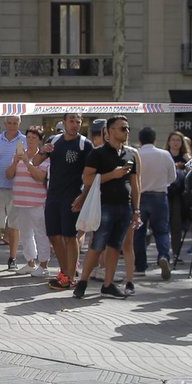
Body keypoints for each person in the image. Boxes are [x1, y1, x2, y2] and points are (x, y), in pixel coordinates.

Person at [73, 117, 141, 299]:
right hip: (104, 206)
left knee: (115, 247)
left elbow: (135, 185)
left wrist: (136, 210)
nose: (127, 132)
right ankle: (83, 282)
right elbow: (86, 179)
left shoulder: (131, 154)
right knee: (97, 246)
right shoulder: (98, 154)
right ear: (110, 131)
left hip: (125, 207)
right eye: (122, 129)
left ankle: (108, 284)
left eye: (127, 128)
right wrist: (112, 175)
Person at [33, 111, 92, 290]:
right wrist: (42, 151)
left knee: (69, 235)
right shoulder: (54, 140)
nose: (75, 124)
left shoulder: (84, 144)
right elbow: (35, 162)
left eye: (78, 121)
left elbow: (91, 175)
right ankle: (65, 271)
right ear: (64, 122)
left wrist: (83, 196)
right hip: (53, 195)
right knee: (53, 234)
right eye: (72, 121)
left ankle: (69, 276)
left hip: (72, 196)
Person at [7, 126, 51, 276]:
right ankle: (30, 262)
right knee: (25, 234)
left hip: (37, 202)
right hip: (20, 201)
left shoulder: (44, 158)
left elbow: (40, 177)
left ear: (40, 140)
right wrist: (14, 162)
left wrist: (27, 163)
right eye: (28, 137)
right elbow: (9, 175)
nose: (30, 141)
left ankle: (44, 265)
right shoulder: (19, 155)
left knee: (41, 233)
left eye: (34, 138)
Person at [132, 126, 174, 281]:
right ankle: (163, 256)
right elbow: (173, 176)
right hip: (159, 195)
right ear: (155, 139)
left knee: (139, 232)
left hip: (140, 196)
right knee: (162, 231)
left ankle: (140, 266)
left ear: (140, 140)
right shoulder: (164, 154)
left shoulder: (136, 154)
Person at [0, 115, 27, 271]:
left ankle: (13, 258)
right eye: (9, 123)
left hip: (17, 188)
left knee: (14, 226)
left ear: (19, 123)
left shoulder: (24, 140)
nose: (12, 126)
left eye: (15, 123)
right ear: (5, 123)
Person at [166, 130, 192, 263]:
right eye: (173, 140)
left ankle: (175, 254)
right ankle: (164, 253)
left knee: (176, 225)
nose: (175, 143)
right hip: (165, 191)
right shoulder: (165, 156)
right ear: (169, 142)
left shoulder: (185, 157)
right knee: (163, 224)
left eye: (178, 140)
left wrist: (188, 163)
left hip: (179, 194)